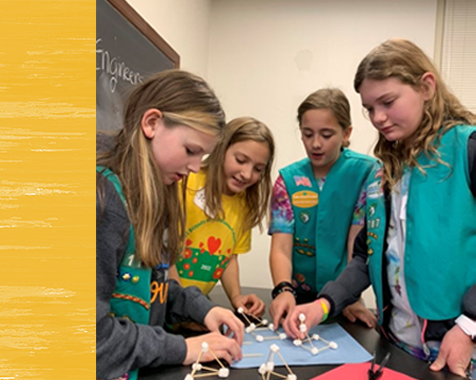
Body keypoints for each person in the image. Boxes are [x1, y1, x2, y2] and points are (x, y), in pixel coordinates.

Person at [283, 39, 476, 378]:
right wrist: (324, 304)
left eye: (387, 102)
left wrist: (469, 325)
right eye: (369, 108)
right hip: (397, 343)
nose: (378, 118)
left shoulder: (468, 149)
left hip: (458, 345)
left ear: (426, 87)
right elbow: (367, 255)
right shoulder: (388, 169)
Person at [96, 70, 245, 380]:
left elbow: (154, 286)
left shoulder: (152, 195)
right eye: (191, 151)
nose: (194, 167)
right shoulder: (103, 201)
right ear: (151, 123)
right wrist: (184, 349)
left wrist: (203, 309)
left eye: (202, 156)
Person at [268, 88, 378, 330]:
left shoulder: (367, 173)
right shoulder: (288, 180)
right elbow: (281, 248)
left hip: (343, 299)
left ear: (346, 133)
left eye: (326, 135)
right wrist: (283, 290)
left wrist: (350, 297)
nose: (315, 144)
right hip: (297, 297)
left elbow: (356, 244)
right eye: (308, 134)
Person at [170, 117, 275, 318]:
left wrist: (236, 298)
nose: (246, 174)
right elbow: (165, 254)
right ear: (221, 149)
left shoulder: (244, 204)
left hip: (195, 310)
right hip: (168, 306)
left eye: (258, 169)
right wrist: (182, 306)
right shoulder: (185, 183)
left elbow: (228, 258)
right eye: (241, 160)